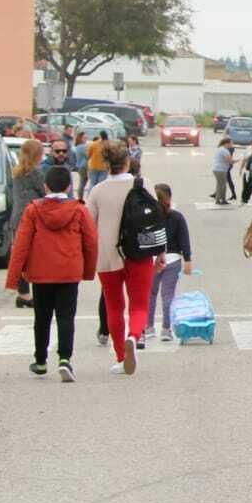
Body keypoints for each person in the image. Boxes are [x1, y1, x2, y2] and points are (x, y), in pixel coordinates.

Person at [4, 164, 97, 381]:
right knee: (66, 316)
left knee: (42, 316)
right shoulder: (79, 210)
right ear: (68, 187)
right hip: (69, 271)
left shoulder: (33, 210)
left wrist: (14, 277)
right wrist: (88, 271)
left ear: (45, 186)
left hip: (41, 272)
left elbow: (21, 245)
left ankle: (40, 360)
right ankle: (65, 359)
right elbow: (91, 242)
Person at [84, 144, 155, 376]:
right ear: (127, 162)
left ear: (106, 165)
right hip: (140, 253)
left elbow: (88, 226)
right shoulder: (143, 186)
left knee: (113, 305)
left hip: (107, 255)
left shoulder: (97, 191)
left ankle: (120, 356)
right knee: (140, 304)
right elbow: (156, 220)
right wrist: (160, 252)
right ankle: (134, 336)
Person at [146, 184, 193, 341]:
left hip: (152, 259)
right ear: (169, 198)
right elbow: (184, 239)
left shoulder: (149, 216)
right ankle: (166, 329)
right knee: (168, 295)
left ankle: (149, 326)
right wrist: (187, 259)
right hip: (173, 259)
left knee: (150, 294)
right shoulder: (177, 217)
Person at [7, 138, 47, 310]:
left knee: (21, 256)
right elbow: (44, 193)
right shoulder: (36, 172)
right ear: (37, 155)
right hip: (32, 218)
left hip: (17, 217)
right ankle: (33, 293)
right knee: (36, 256)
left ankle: (23, 293)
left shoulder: (16, 172)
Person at [211, 138, 236, 205]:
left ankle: (222, 199)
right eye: (231, 143)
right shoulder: (225, 151)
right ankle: (219, 200)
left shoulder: (220, 149)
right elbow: (229, 161)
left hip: (217, 169)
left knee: (221, 185)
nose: (232, 145)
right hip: (220, 170)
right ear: (226, 143)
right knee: (222, 185)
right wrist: (236, 160)